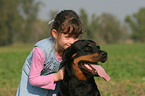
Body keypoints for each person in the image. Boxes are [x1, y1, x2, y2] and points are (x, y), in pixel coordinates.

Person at [16, 10, 85, 96]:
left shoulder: (71, 50)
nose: (72, 41)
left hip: (52, 91)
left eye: (76, 37)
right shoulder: (42, 50)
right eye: (67, 37)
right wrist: (56, 76)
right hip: (31, 91)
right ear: (55, 34)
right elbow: (33, 80)